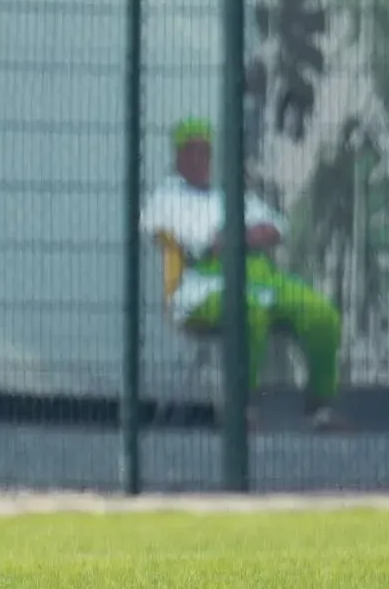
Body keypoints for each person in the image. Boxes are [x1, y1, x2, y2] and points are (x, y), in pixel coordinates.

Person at [139, 117, 345, 431]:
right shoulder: (166, 200)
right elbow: (204, 244)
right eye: (192, 152)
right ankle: (240, 406)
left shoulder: (228, 195)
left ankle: (321, 407)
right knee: (249, 311)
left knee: (321, 313)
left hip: (263, 279)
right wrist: (241, 236)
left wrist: (237, 237)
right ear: (178, 156)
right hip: (204, 287)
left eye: (205, 152)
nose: (200, 159)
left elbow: (276, 228)